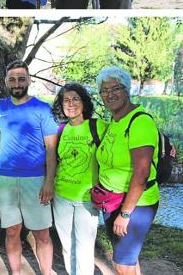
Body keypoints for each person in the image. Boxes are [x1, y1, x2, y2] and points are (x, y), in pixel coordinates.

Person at [0, 60, 58, 275]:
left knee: (42, 234)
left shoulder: (41, 108)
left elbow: (51, 149)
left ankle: (46, 273)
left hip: (35, 179)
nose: (17, 83)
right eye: (12, 79)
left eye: (21, 78)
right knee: (12, 232)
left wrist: (49, 181)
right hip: (5, 180)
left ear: (29, 80)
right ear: (6, 82)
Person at [95, 67, 159, 274]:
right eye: (104, 90)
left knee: (122, 261)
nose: (110, 94)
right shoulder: (114, 122)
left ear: (127, 90)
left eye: (116, 88)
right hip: (112, 200)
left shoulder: (139, 122)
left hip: (135, 204)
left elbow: (141, 174)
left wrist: (125, 213)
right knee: (128, 258)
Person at [50, 83, 107, 275]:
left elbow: (123, 141)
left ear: (84, 102)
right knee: (67, 245)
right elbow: (54, 160)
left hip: (87, 198)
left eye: (75, 99)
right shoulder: (61, 129)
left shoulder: (97, 126)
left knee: (84, 247)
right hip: (61, 196)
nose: (71, 104)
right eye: (66, 100)